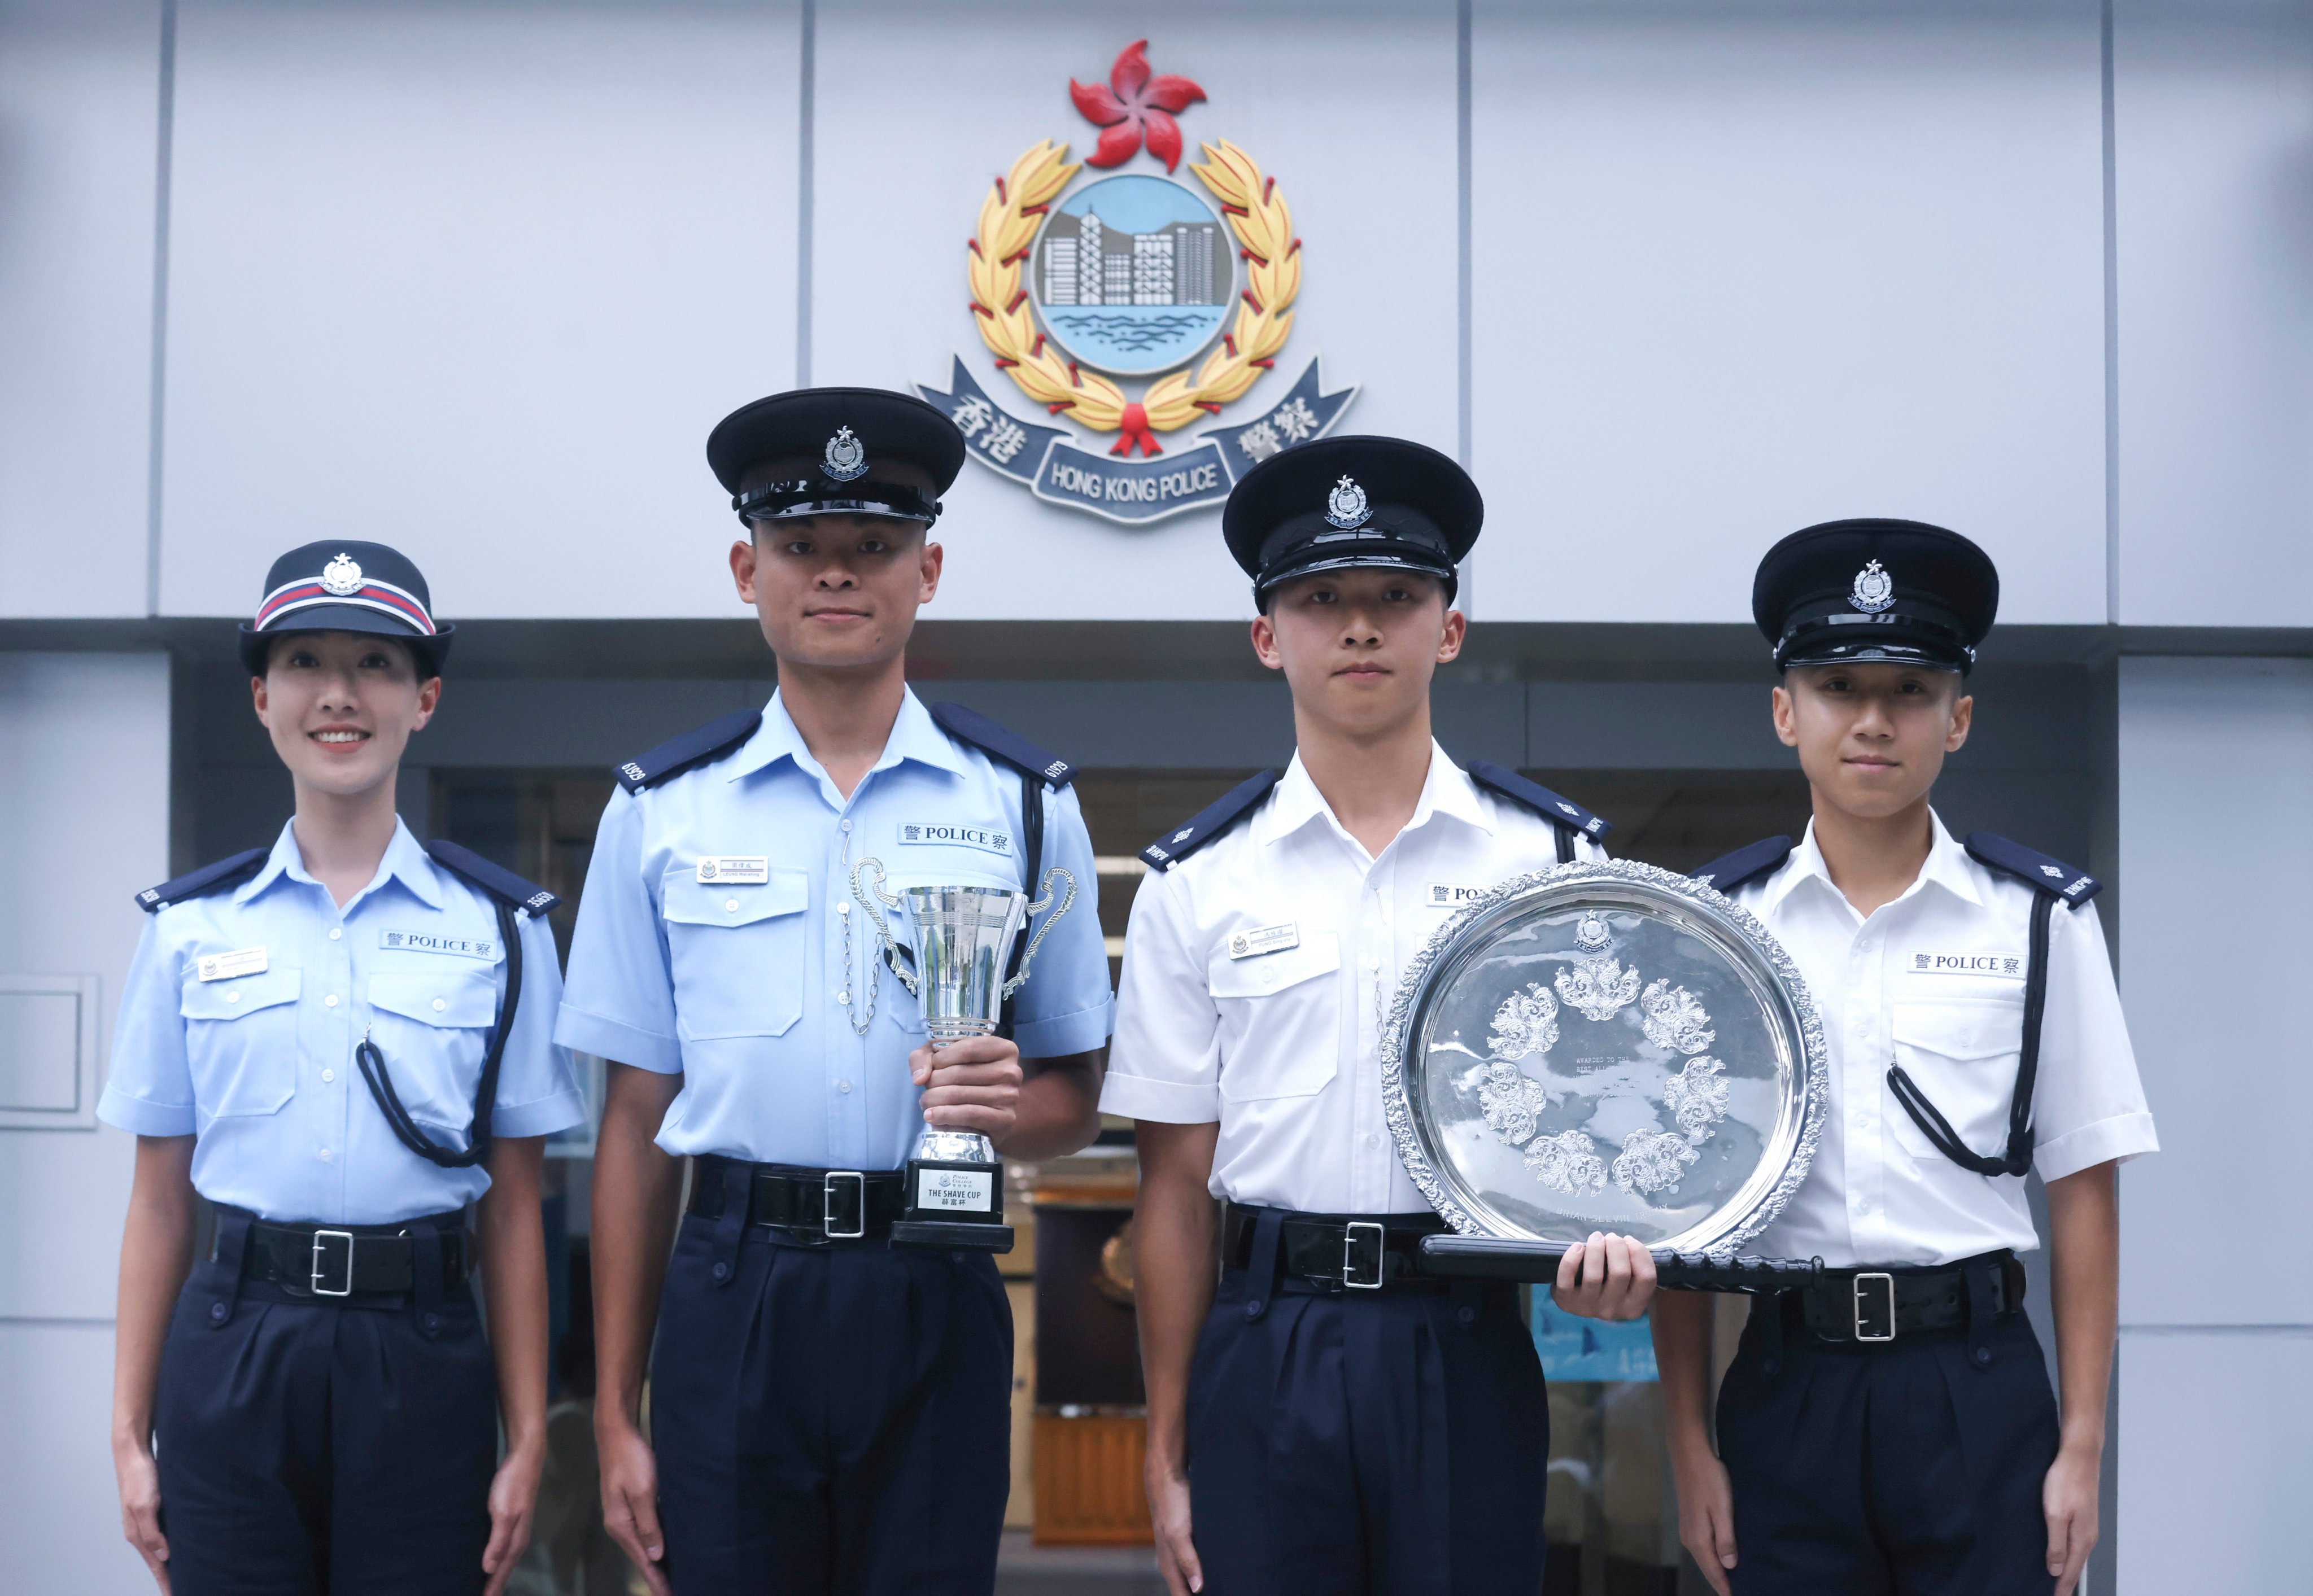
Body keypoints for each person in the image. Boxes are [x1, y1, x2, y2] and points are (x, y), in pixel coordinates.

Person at [557, 387, 1114, 1596]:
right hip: (733, 1286)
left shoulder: (1023, 801)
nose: (837, 574)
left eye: (874, 547)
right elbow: (635, 1121)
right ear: (744, 567)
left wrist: (1004, 1108)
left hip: (937, 1276)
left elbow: (1076, 1088)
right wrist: (614, 1405)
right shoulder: (660, 810)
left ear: (929, 569)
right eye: (802, 547)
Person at [1105, 436, 1660, 1596]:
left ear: (1447, 628)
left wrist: (1609, 1244)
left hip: (1461, 1334)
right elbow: (1170, 1184)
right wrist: (1164, 1450)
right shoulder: (1196, 881)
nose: (1358, 627)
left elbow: (1610, 1118)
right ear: (1267, 636)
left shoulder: (1551, 858)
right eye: (1320, 600)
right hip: (1265, 1343)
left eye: (1393, 598)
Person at [1656, 519, 2159, 1596]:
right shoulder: (1714, 927)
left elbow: (2084, 1187)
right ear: (1787, 711)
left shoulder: (2040, 920)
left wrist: (2083, 1445)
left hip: (1973, 1387)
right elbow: (1679, 1205)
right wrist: (1689, 1442)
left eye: (1911, 691)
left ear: (1960, 718)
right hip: (1786, 1384)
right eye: (1840, 686)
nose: (1874, 721)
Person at [101, 540, 586, 1595]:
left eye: (375, 664)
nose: (340, 694)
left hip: (419, 1349)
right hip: (235, 1344)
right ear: (263, 696)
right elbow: (157, 1201)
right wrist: (129, 1433)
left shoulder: (504, 929)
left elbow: (514, 1208)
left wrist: (527, 1436)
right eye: (308, 662)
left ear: (426, 699)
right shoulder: (188, 928)